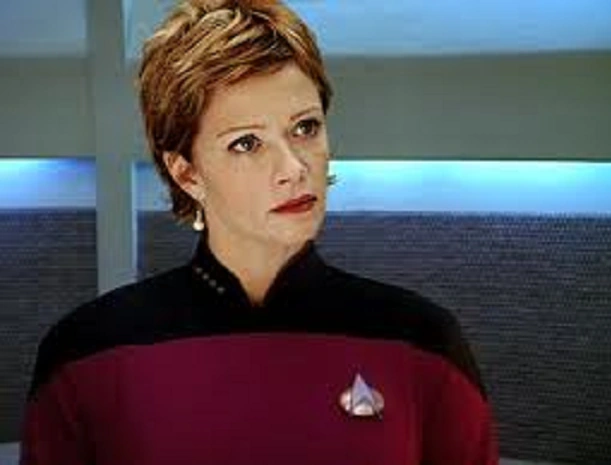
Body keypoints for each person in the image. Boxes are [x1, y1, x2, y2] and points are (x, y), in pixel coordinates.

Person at [20, 1, 498, 464]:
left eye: (305, 128)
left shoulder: (424, 344)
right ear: (187, 173)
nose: (293, 168)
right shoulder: (85, 355)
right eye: (247, 143)